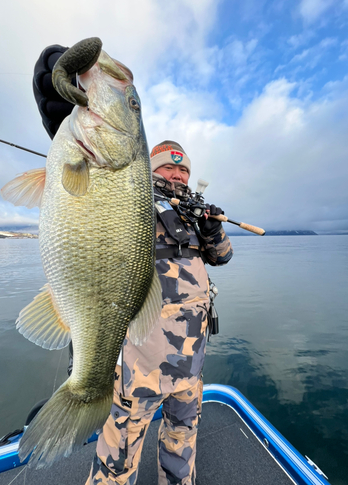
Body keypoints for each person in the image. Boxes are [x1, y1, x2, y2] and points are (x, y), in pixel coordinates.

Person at [33, 44, 233, 485]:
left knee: (181, 454)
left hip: (190, 365)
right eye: (170, 168)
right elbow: (66, 128)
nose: (179, 176)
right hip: (135, 369)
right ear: (151, 166)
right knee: (116, 465)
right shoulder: (138, 193)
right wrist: (56, 79)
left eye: (184, 171)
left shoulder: (196, 215)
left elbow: (222, 258)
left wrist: (214, 231)